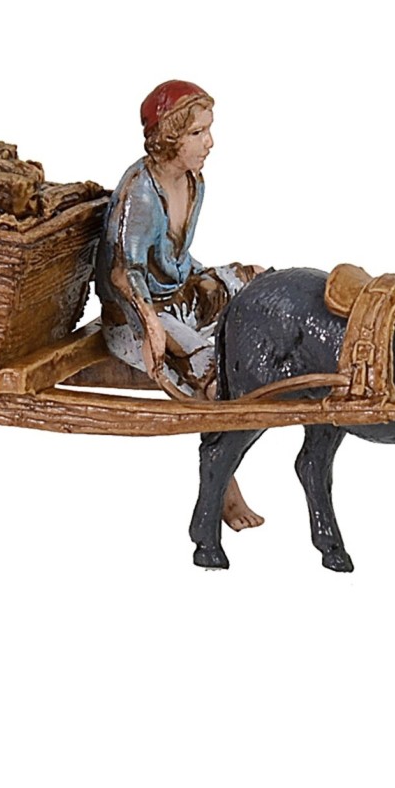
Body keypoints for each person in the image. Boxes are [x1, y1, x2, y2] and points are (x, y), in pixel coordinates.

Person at [95, 80, 265, 532]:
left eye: (208, 129)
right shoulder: (141, 193)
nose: (210, 142)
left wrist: (213, 281)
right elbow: (124, 274)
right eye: (197, 133)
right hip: (136, 317)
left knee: (259, 282)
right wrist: (153, 330)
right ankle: (224, 489)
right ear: (170, 136)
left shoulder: (193, 181)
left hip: (178, 293)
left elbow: (175, 258)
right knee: (211, 376)